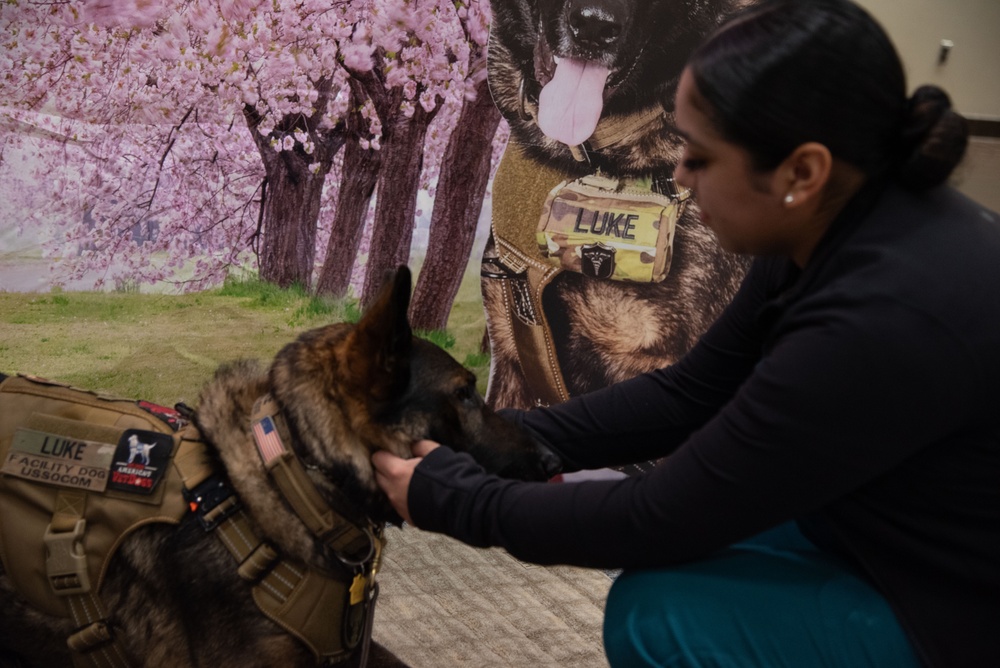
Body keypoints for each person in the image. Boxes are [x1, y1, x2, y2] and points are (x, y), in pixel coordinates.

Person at [372, 0, 1000, 665]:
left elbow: (658, 518)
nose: (678, 175)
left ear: (801, 172)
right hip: (880, 533)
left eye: (699, 158)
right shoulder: (833, 225)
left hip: (955, 615)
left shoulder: (881, 319)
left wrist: (449, 496)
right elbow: (689, 395)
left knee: (661, 617)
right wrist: (476, 439)